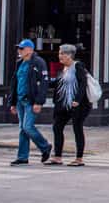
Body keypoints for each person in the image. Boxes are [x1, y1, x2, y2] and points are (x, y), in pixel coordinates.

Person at [8, 38, 51, 166]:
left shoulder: (38, 62)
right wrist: (12, 102)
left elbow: (44, 83)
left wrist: (39, 102)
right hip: (20, 100)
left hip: (31, 100)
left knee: (27, 127)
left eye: (22, 48)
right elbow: (14, 82)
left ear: (30, 50)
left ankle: (45, 146)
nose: (19, 50)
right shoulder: (20, 63)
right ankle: (22, 157)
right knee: (22, 128)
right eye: (19, 48)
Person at [48, 44, 90, 167]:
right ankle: (57, 156)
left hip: (77, 104)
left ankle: (79, 158)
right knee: (57, 127)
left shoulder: (78, 66)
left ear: (69, 55)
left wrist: (77, 100)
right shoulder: (63, 69)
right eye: (59, 53)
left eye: (62, 53)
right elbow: (57, 85)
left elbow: (83, 84)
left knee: (77, 128)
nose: (59, 56)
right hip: (62, 104)